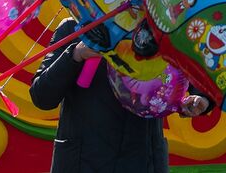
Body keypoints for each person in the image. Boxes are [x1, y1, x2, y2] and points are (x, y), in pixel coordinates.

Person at [30, 18, 212, 171]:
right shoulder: (76, 27)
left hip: (144, 160)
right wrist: (76, 54)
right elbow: (42, 96)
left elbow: (199, 79)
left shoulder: (163, 30)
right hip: (83, 161)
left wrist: (201, 99)